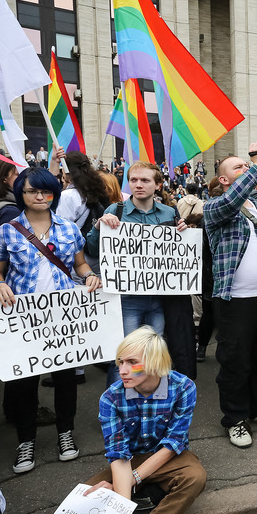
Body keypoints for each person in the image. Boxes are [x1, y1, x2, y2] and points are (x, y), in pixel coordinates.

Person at [0, 168, 101, 472]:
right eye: (31, 191)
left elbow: (79, 264)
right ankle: (26, 440)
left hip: (62, 316)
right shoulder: (7, 230)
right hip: (23, 318)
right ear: (21, 195)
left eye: (46, 192)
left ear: (53, 193)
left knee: (66, 380)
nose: (39, 197)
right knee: (24, 383)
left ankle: (65, 432)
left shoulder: (68, 229)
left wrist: (90, 275)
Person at [83, 328, 205, 514]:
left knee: (195, 476)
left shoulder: (183, 387)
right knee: (84, 495)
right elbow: (118, 456)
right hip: (129, 460)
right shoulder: (111, 398)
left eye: (131, 363)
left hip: (166, 459)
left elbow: (172, 445)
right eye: (120, 362)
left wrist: (127, 484)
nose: (122, 370)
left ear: (153, 363)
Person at [203, 144, 257, 448]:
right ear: (224, 180)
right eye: (238, 167)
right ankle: (235, 419)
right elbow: (232, 201)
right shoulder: (213, 207)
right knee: (235, 362)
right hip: (234, 301)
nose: (247, 170)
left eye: (247, 167)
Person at [86, 160, 186, 380]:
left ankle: (145, 397)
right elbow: (92, 249)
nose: (138, 184)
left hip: (159, 298)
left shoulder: (169, 213)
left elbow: (178, 253)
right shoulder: (116, 210)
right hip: (126, 299)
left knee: (153, 351)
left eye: (145, 180)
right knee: (124, 353)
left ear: (158, 185)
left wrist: (184, 232)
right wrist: (98, 227)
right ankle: (117, 405)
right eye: (133, 180)